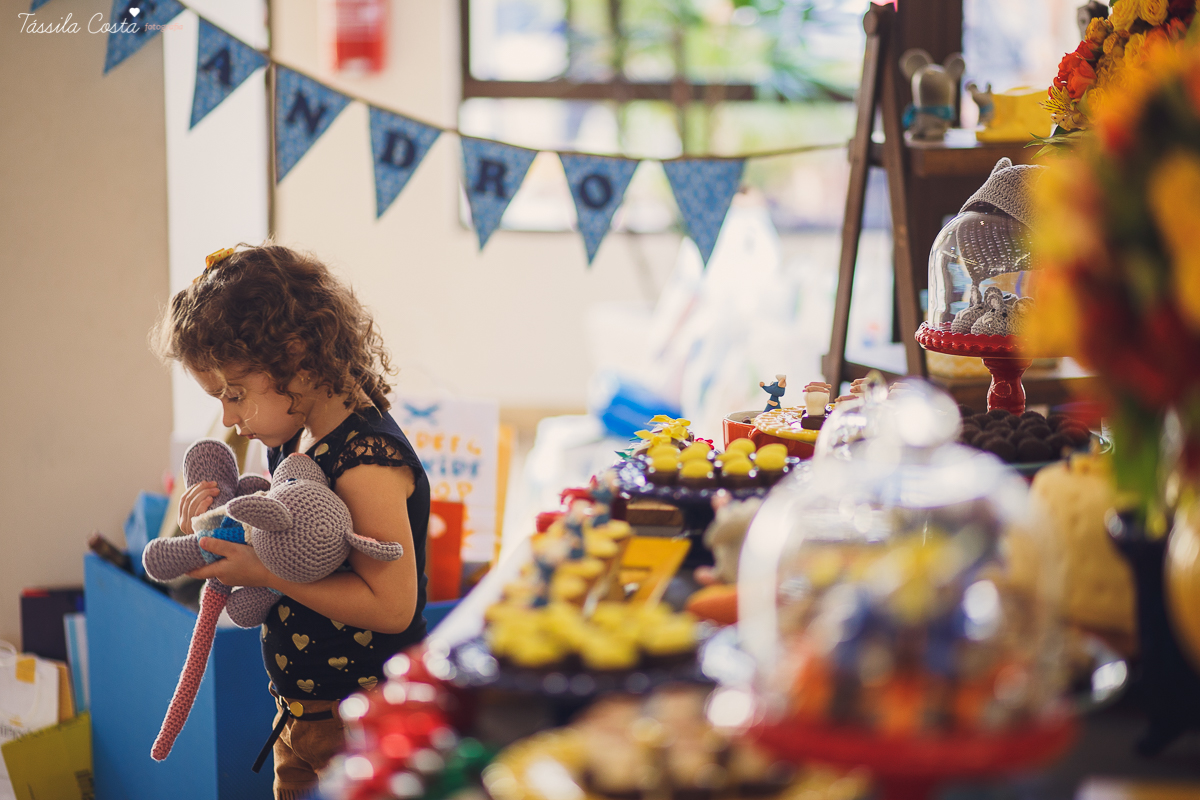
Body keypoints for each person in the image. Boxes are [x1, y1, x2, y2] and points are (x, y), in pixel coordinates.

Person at [152, 244, 430, 800]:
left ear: (296, 358)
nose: (228, 417)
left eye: (234, 395)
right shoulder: (296, 435)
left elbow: (393, 607)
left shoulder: (365, 461)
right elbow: (293, 536)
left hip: (362, 722)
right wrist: (217, 520)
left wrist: (265, 573)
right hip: (299, 714)